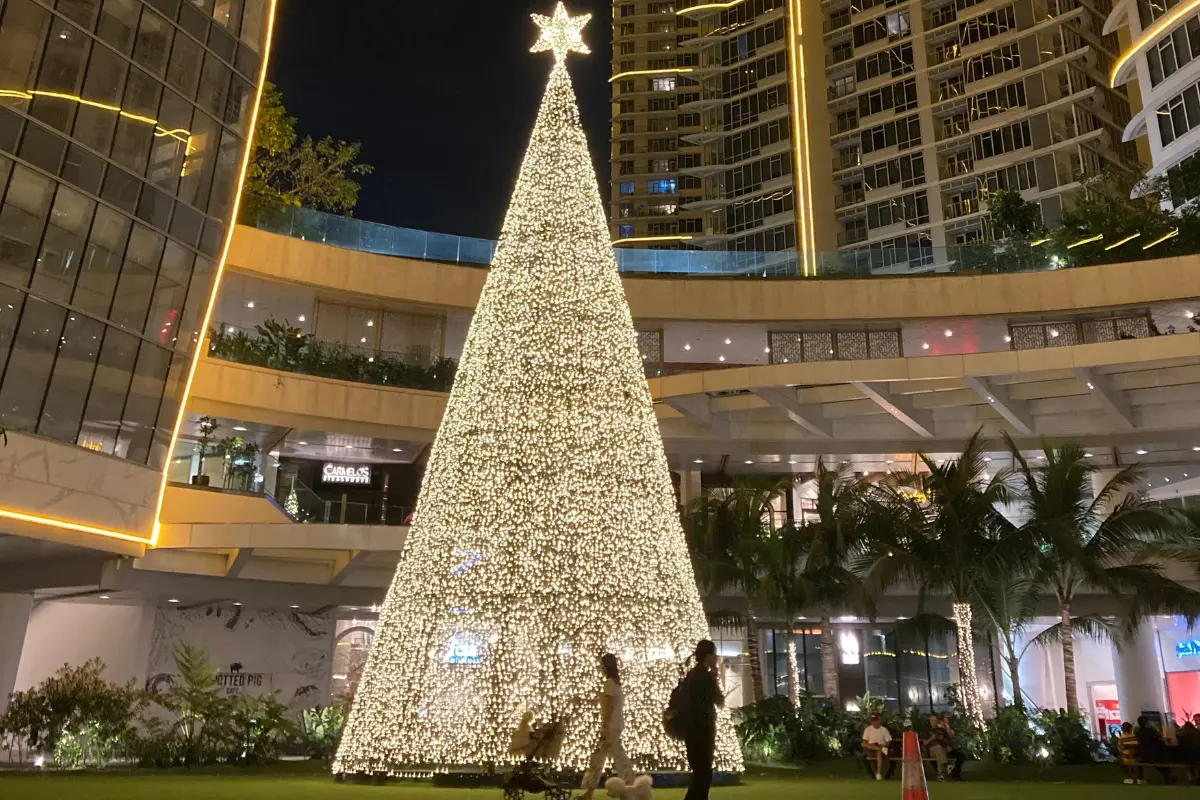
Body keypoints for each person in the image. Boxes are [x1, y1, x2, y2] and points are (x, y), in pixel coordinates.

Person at [578, 654, 635, 800]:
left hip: (610, 728)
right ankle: (590, 793)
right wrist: (584, 701)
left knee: (609, 759)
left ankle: (630, 788)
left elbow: (609, 707)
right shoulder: (615, 683)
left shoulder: (609, 683)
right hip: (614, 726)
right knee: (604, 758)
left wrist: (605, 727)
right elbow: (603, 701)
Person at [681, 639, 724, 800]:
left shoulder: (692, 674)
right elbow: (719, 701)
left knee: (699, 775)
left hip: (692, 730)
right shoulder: (704, 676)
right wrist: (715, 676)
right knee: (703, 776)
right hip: (702, 730)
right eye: (714, 654)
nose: (716, 657)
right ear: (708, 656)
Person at [1136, 715, 1176, 785]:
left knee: (1158, 763)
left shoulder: (1138, 732)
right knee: (1163, 760)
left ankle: (1168, 778)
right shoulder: (1150, 730)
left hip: (1144, 755)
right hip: (1154, 754)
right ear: (1146, 722)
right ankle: (1168, 778)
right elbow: (1160, 738)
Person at [862, 712, 893, 780]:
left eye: (875, 720)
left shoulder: (884, 730)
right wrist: (871, 745)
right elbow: (864, 742)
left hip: (881, 748)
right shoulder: (868, 729)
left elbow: (888, 742)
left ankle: (878, 773)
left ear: (879, 720)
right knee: (864, 745)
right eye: (872, 721)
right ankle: (874, 773)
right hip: (871, 748)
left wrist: (881, 745)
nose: (874, 722)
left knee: (879, 751)